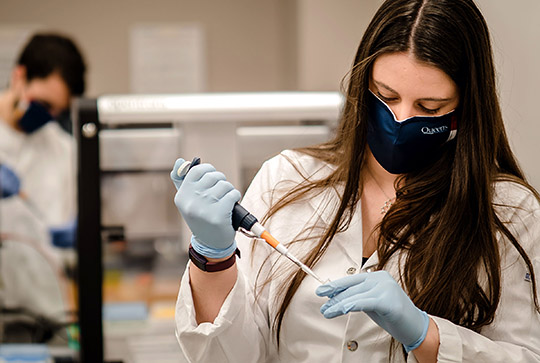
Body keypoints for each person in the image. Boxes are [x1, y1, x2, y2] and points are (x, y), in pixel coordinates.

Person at [171, 0, 540, 361]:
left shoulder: (508, 211)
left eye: (429, 108)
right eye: (386, 96)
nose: (399, 120)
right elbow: (226, 356)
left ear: (465, 109)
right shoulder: (287, 178)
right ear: (362, 86)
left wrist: (425, 334)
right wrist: (213, 257)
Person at [0, 33, 86, 340]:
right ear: (19, 76)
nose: (47, 117)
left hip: (48, 317)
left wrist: (81, 238)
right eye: (43, 104)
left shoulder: (63, 149)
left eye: (56, 111)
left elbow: (68, 246)